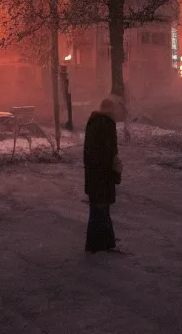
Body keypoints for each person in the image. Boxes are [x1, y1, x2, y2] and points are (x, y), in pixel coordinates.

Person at [83, 97, 124, 253]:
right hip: (104, 173)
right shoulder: (108, 125)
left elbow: (90, 151)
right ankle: (99, 244)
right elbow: (112, 152)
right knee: (101, 210)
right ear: (111, 109)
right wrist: (116, 168)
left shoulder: (92, 122)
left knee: (97, 209)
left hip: (93, 173)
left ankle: (101, 243)